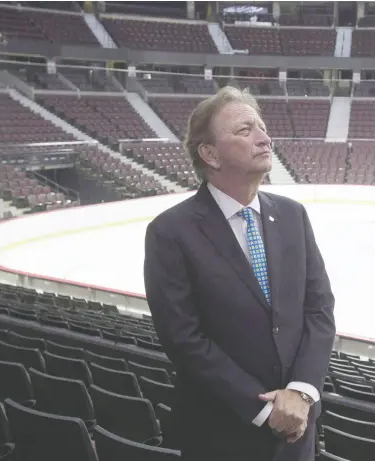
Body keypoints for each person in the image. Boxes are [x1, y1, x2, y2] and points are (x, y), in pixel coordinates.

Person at [143, 86, 336, 461]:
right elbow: (184, 339)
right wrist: (265, 409)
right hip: (222, 433)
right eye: (245, 130)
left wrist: (300, 391)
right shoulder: (171, 232)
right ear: (210, 154)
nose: (265, 139)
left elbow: (319, 309)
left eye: (262, 128)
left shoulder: (293, 215)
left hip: (298, 432)